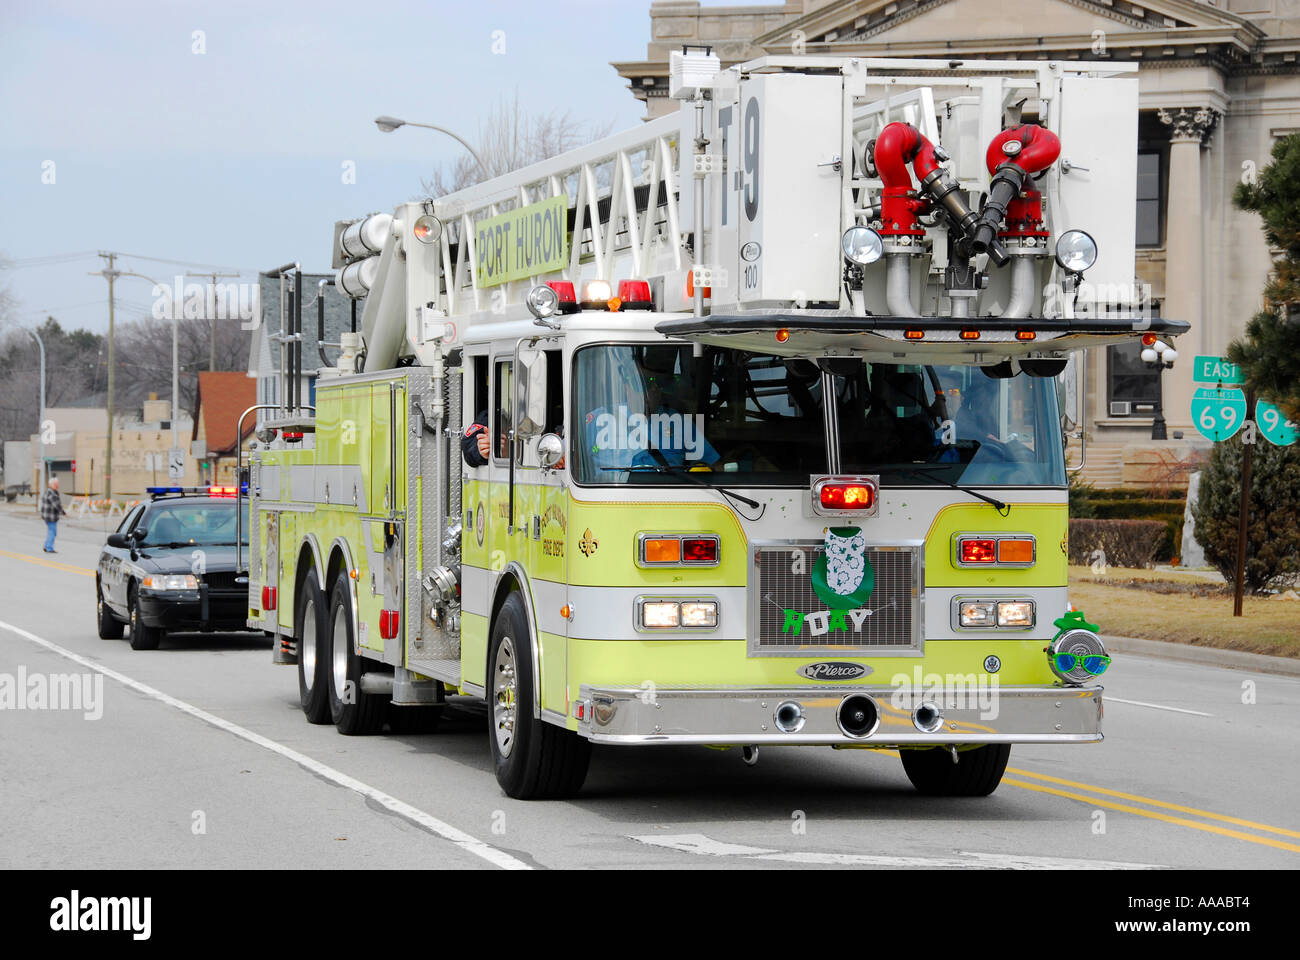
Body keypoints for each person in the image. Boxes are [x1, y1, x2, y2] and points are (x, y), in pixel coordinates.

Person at [39, 476, 67, 553]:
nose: (58, 485)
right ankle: (49, 548)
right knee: (52, 532)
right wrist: (63, 512)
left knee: (51, 531)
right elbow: (56, 505)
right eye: (56, 484)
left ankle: (46, 546)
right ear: (52, 484)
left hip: (47, 515)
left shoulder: (48, 491)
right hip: (50, 516)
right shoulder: (52, 493)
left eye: (57, 483)